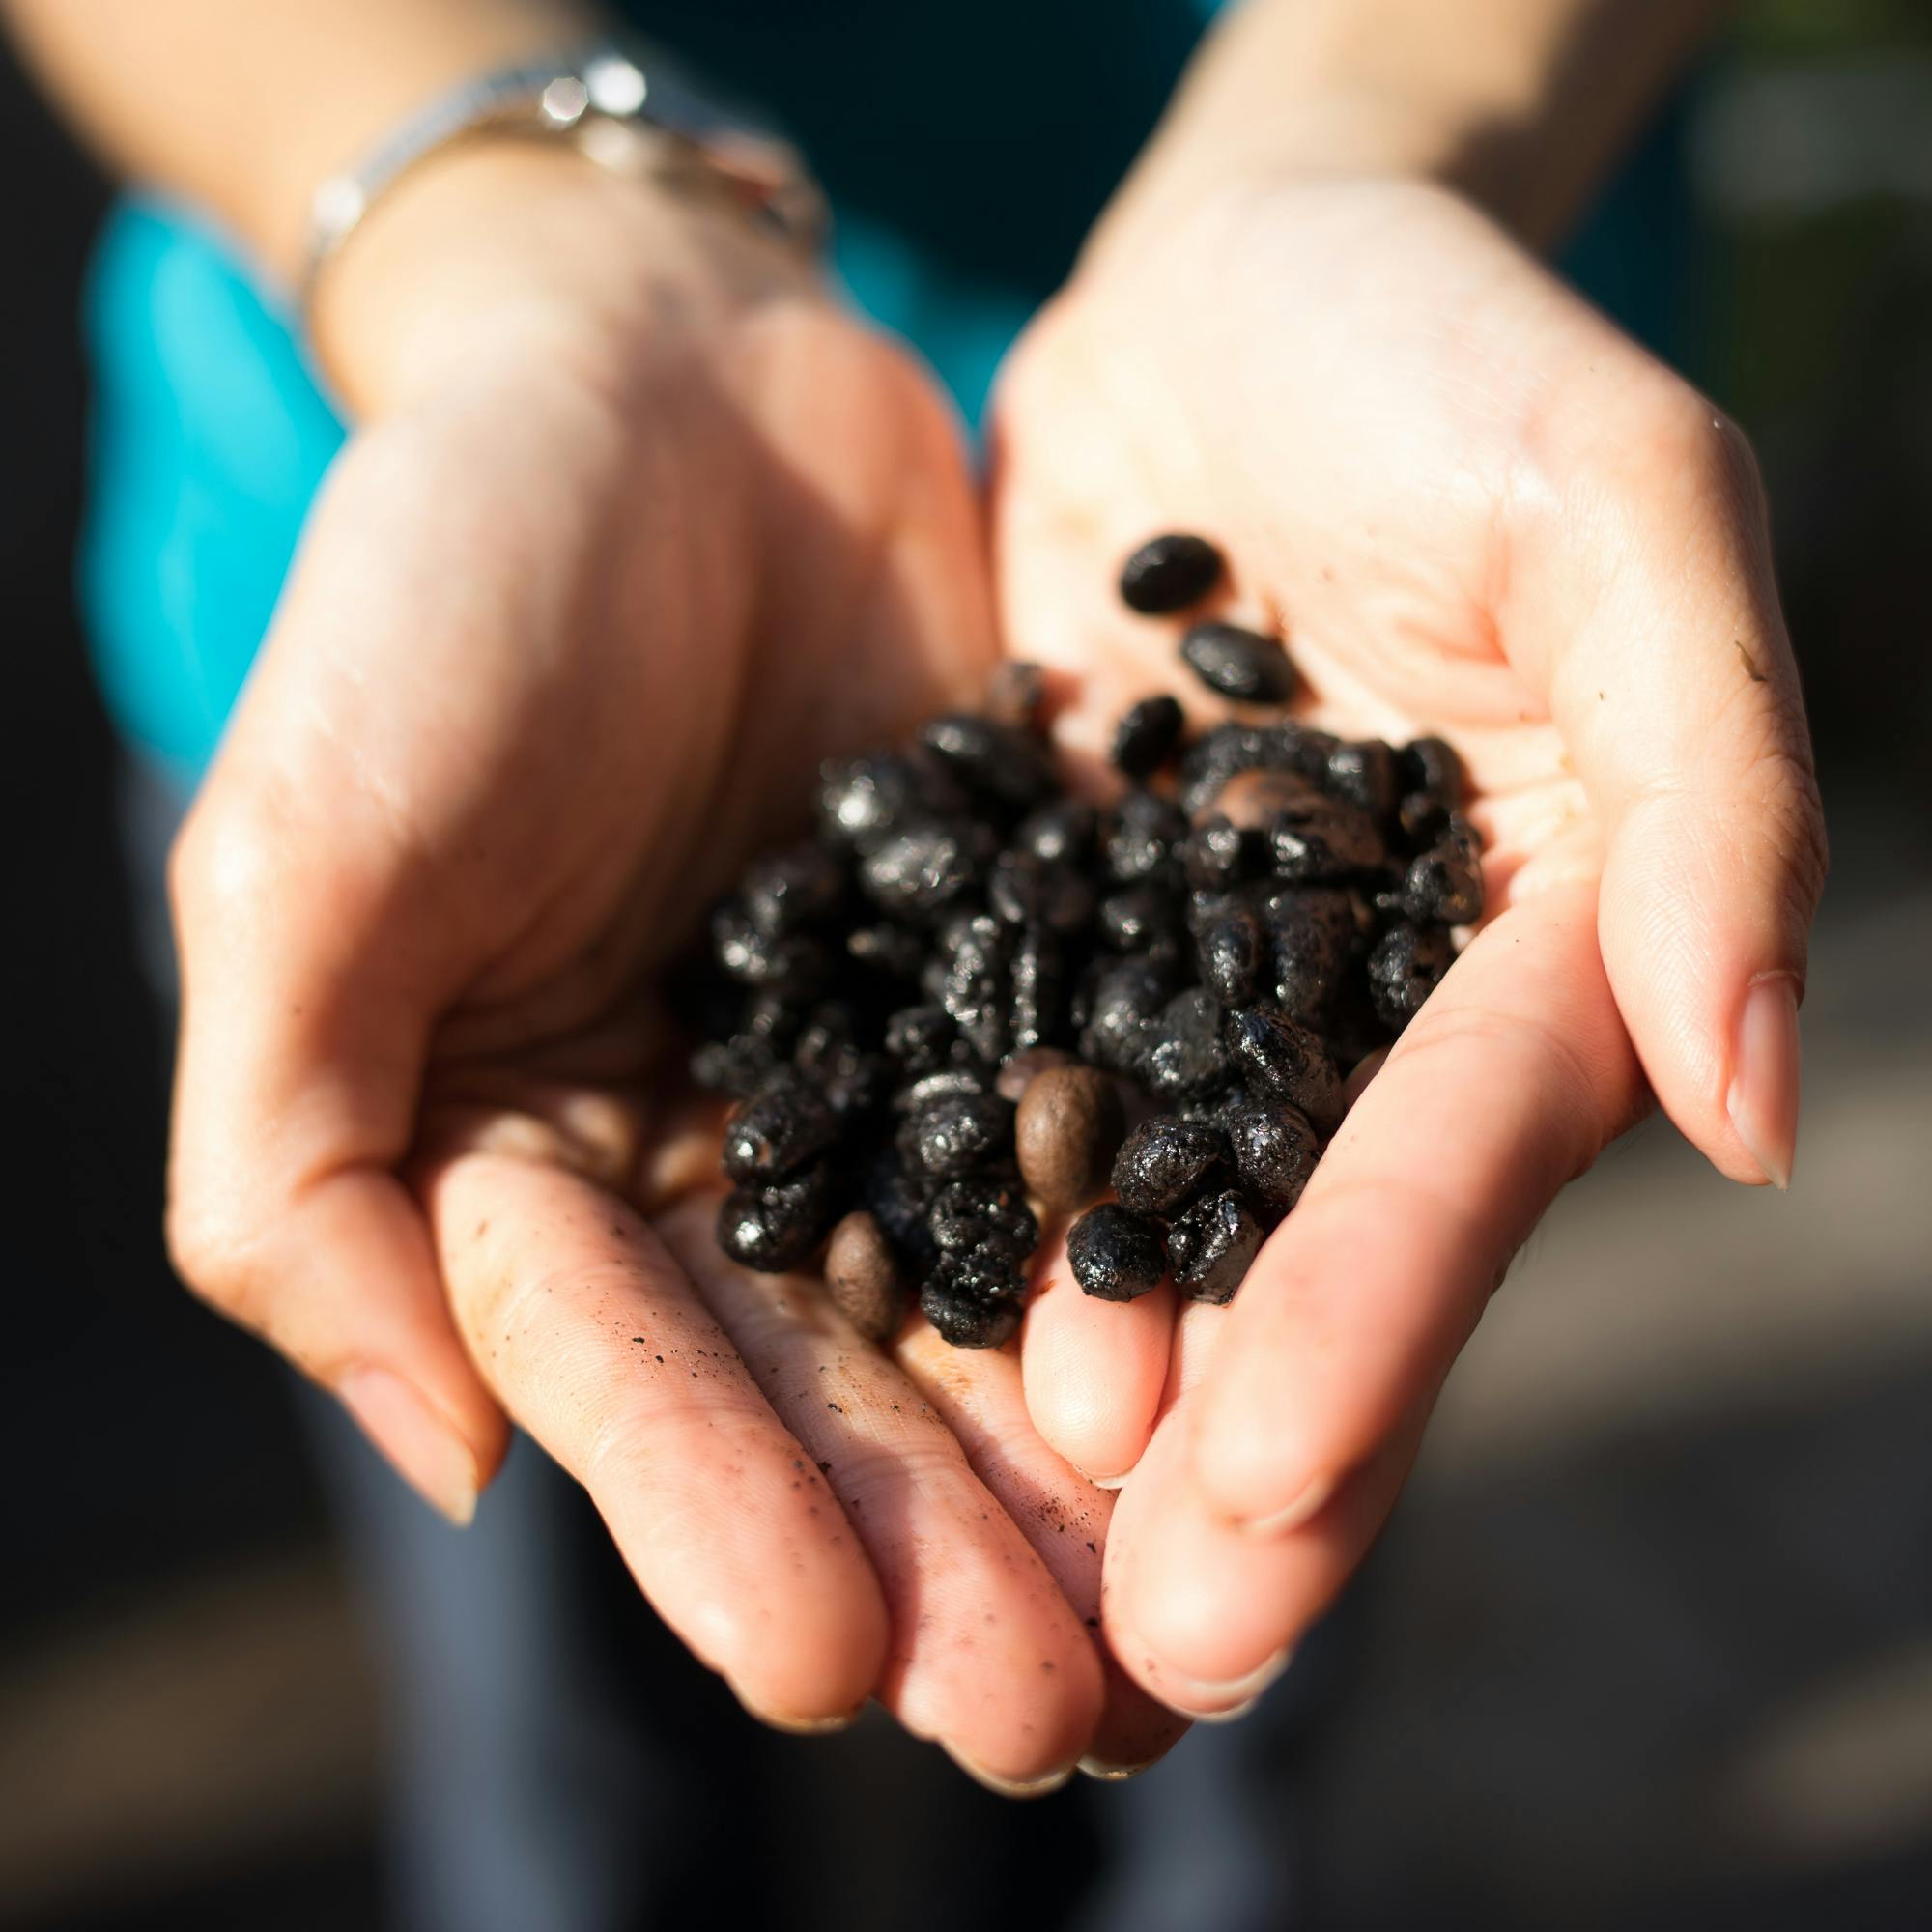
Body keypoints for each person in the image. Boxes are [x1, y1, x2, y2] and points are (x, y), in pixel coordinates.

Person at [3, 0, 1826, 1920]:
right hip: (494, 695)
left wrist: (1371, 125)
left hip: (1364, 503)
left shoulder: (1236, 850)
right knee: (584, 1776)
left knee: (1189, 1712)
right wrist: (502, 236)